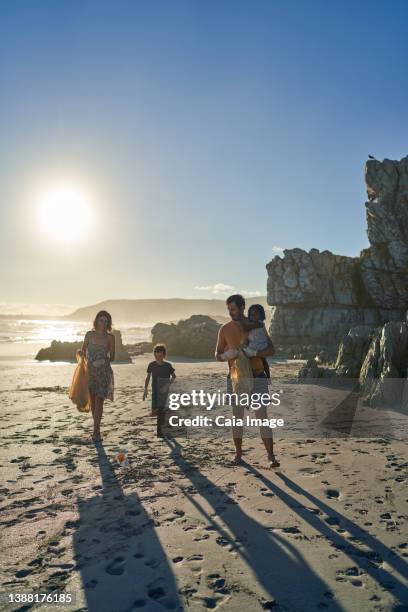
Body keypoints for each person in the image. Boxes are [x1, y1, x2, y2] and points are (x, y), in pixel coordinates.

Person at [215, 294, 279, 467]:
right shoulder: (224, 329)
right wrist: (228, 354)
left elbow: (271, 350)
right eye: (229, 310)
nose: (231, 313)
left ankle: (271, 456)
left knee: (262, 418)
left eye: (233, 309)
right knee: (237, 418)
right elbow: (217, 354)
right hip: (236, 378)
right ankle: (238, 454)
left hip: (257, 375)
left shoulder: (256, 325)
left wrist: (255, 353)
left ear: (243, 307)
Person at [79, 310, 115, 442]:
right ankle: (96, 428)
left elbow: (112, 357)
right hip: (90, 371)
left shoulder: (111, 337)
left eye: (106, 321)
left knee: (99, 400)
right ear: (96, 321)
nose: (104, 323)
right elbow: (83, 351)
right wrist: (80, 353)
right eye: (101, 320)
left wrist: (103, 360)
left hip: (103, 371)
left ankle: (96, 432)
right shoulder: (89, 334)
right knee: (93, 402)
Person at [143, 344, 176, 438]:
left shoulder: (168, 366)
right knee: (156, 411)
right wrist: (145, 389)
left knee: (162, 410)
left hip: (165, 391)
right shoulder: (151, 365)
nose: (158, 357)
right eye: (156, 355)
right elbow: (148, 377)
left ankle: (160, 432)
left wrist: (167, 386)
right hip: (155, 391)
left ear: (164, 355)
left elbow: (174, 377)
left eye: (160, 356)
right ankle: (162, 429)